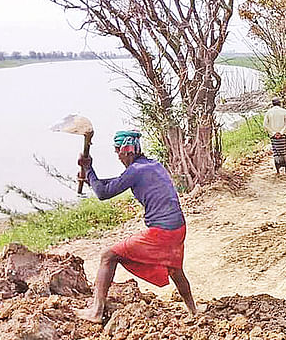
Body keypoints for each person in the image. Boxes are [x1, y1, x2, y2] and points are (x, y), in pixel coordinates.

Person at [75, 130, 197, 323]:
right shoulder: (152, 166)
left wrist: (88, 170)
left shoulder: (135, 171)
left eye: (118, 151)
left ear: (127, 151)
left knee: (108, 256)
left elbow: (103, 193)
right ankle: (194, 311)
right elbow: (115, 183)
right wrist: (90, 178)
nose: (118, 156)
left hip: (162, 232)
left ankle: (96, 311)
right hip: (178, 228)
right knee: (174, 269)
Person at [264, 97, 286, 174]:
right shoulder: (284, 111)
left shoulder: (269, 112)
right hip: (282, 136)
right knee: (284, 152)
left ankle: (278, 170)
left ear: (272, 104)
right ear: (279, 103)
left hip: (273, 137)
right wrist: (281, 132)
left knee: (276, 152)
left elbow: (265, 125)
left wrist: (273, 133)